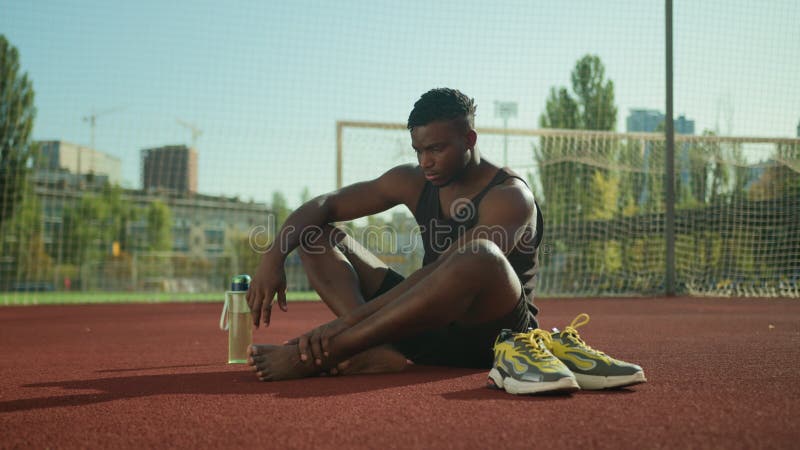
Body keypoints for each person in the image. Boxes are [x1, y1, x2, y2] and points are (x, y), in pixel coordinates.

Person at [246, 88, 645, 392]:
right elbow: (327, 203)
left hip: (489, 335)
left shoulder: (510, 196)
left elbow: (444, 273)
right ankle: (373, 350)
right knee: (315, 236)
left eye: (436, 149)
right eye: (419, 150)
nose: (426, 161)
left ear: (469, 140)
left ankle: (338, 349)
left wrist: (334, 335)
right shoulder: (414, 180)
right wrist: (272, 256)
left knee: (479, 256)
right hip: (422, 322)